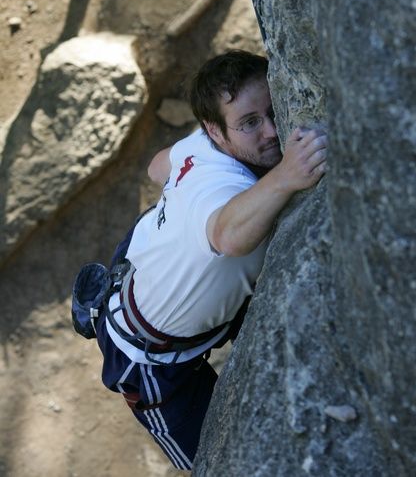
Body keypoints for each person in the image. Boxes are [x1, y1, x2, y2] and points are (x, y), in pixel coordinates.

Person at [95, 50, 327, 470]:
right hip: (149, 356)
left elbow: (156, 167)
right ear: (216, 133)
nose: (273, 131)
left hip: (146, 260)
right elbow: (227, 236)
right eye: (250, 123)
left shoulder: (200, 145)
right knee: (210, 463)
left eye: (273, 109)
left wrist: (182, 192)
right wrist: (288, 175)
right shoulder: (220, 189)